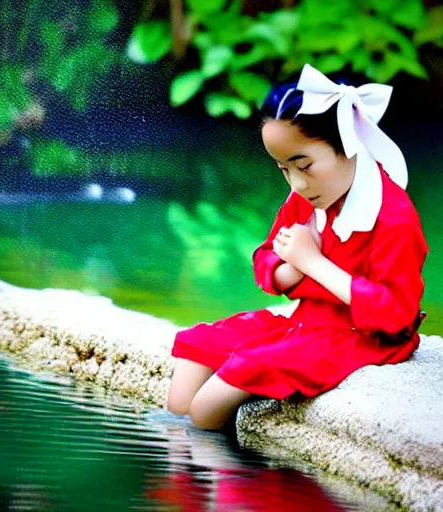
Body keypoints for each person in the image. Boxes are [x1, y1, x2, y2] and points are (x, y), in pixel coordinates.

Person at [167, 63, 428, 430]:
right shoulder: (306, 198)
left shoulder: (392, 218)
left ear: (349, 147)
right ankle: (184, 468)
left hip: (358, 337)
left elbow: (396, 314)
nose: (298, 184)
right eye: (284, 170)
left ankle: (231, 478)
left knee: (206, 407)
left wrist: (313, 262)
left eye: (304, 165)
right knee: (195, 353)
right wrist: (290, 266)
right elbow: (265, 256)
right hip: (305, 323)